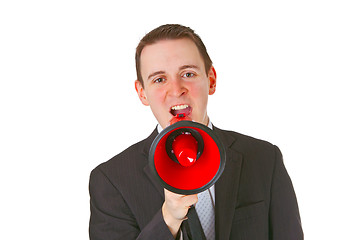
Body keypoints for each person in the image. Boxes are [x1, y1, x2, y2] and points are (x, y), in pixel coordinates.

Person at [89, 24, 303, 240]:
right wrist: (169, 220)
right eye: (159, 79)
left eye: (188, 73)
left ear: (211, 80)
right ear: (142, 93)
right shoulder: (111, 181)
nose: (176, 89)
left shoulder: (265, 159)